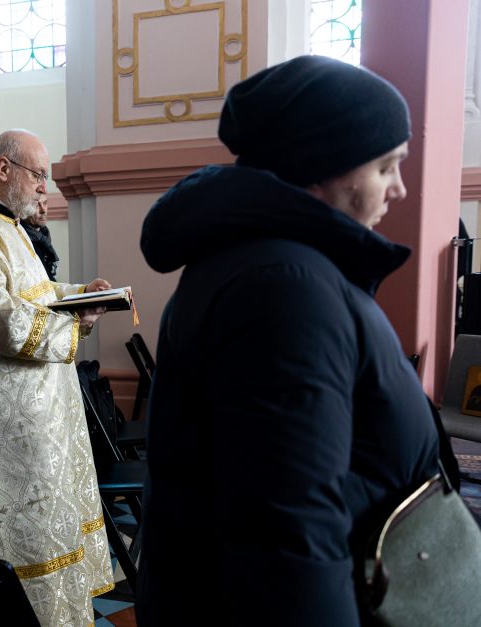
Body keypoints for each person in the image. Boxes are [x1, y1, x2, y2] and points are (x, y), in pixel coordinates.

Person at [137, 55, 439, 626]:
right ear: (322, 168)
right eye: (386, 166)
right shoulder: (283, 286)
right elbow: (286, 535)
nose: (399, 187)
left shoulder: (283, 266)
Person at [0, 129, 115, 625]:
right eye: (39, 175)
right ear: (5, 168)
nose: (44, 188)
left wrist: (79, 293)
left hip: (38, 413)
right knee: (16, 538)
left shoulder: (6, 224)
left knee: (48, 527)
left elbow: (34, 292)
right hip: (6, 427)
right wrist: (74, 323)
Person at [21, 196, 59, 280]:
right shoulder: (20, 239)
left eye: (45, 203)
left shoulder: (44, 236)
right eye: (36, 205)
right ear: (23, 208)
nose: (43, 210)